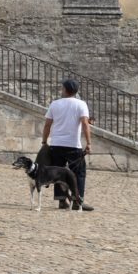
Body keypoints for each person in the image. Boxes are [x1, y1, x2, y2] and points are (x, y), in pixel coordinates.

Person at [35, 76, 93, 210]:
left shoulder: (55, 104)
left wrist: (44, 141)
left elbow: (47, 125)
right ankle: (78, 201)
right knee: (79, 173)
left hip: (56, 144)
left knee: (58, 173)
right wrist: (89, 143)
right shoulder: (81, 104)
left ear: (65, 90)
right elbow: (85, 123)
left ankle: (62, 200)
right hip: (73, 145)